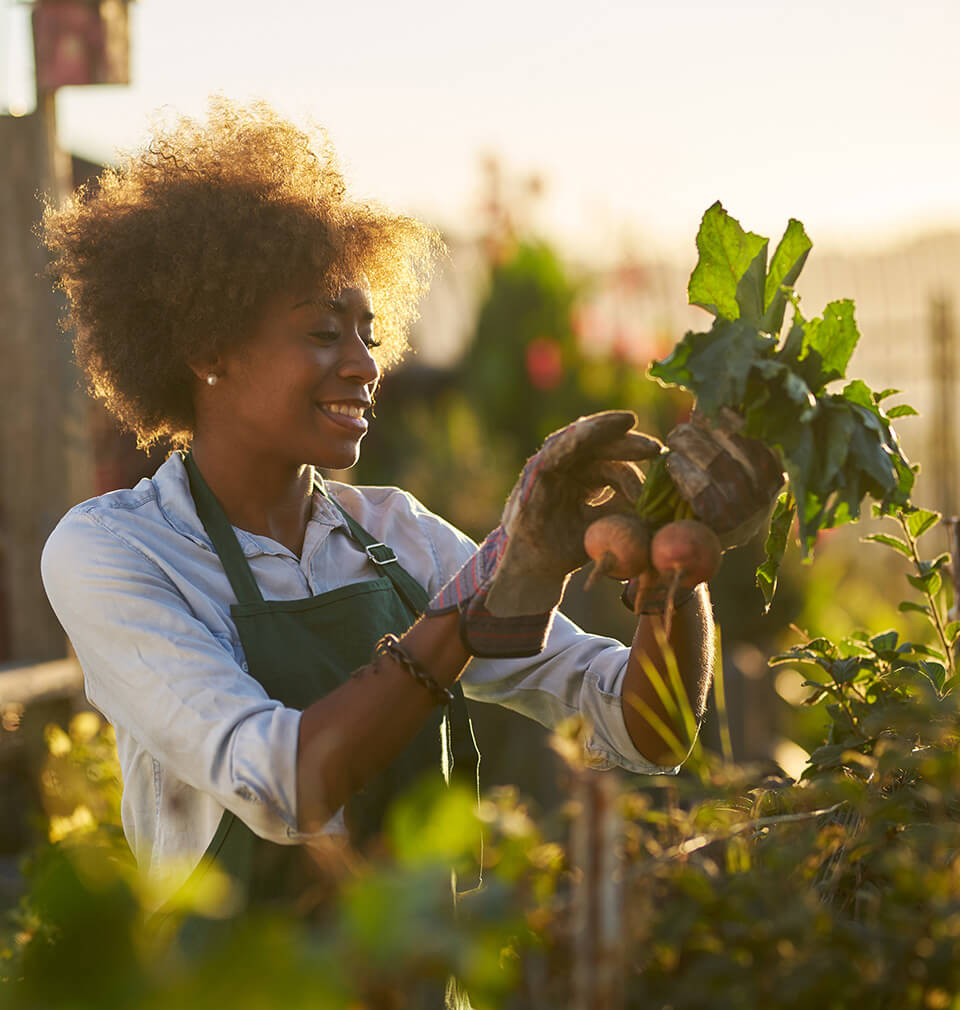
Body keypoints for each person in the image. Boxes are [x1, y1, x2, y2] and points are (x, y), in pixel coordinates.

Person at [38, 99, 778, 916]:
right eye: (324, 332)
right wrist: (475, 604)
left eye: (369, 332)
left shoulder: (394, 535)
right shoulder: (117, 551)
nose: (364, 365)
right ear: (210, 348)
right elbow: (286, 783)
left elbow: (648, 731)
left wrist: (675, 563)